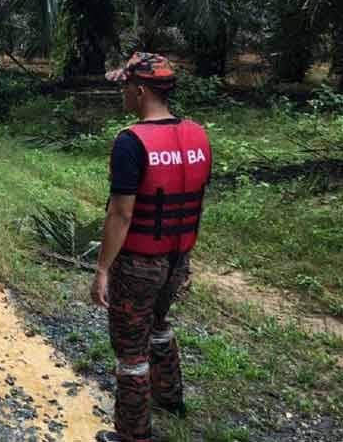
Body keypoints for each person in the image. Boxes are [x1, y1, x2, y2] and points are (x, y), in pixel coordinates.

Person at [91, 53, 212, 442]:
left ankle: (132, 434)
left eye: (126, 87)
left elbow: (122, 215)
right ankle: (170, 396)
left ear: (140, 90)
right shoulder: (198, 135)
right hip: (178, 258)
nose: (123, 93)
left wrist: (103, 269)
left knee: (130, 350)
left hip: (139, 263)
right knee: (159, 324)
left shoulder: (131, 142)